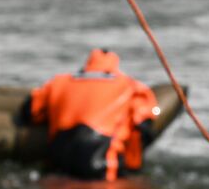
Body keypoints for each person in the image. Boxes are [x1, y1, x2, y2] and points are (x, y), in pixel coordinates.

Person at [28, 48, 160, 181]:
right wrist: (157, 111)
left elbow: (32, 111)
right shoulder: (130, 85)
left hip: (59, 155)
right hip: (100, 159)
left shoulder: (57, 81)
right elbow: (145, 118)